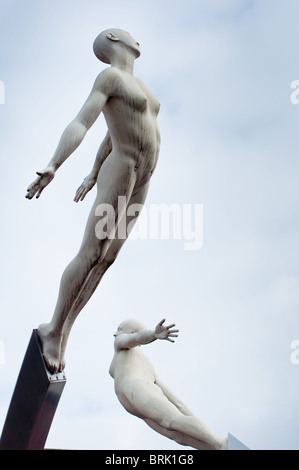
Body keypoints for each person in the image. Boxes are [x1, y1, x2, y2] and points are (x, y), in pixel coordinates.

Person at [25, 29, 160, 373]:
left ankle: (63, 333)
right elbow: (83, 121)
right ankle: (54, 328)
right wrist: (55, 164)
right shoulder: (110, 77)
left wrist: (91, 171)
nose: (138, 40)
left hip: (141, 178)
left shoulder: (140, 87)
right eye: (131, 36)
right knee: (93, 252)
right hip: (123, 170)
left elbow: (111, 132)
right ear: (115, 38)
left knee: (107, 259)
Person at [109, 318, 228, 450]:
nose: (117, 333)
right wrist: (192, 421)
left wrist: (154, 334)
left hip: (137, 390)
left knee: (172, 421)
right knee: (176, 435)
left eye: (120, 329)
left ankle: (220, 444)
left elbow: (135, 338)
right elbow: (177, 402)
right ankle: (215, 447)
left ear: (129, 332)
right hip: (135, 402)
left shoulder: (121, 345)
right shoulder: (143, 362)